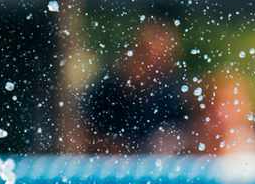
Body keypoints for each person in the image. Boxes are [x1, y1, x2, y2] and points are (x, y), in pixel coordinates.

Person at [81, 21, 189, 154]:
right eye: (147, 56)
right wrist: (113, 147)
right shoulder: (107, 90)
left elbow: (184, 134)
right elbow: (85, 134)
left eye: (159, 60)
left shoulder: (169, 95)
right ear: (133, 52)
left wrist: (169, 142)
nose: (151, 65)